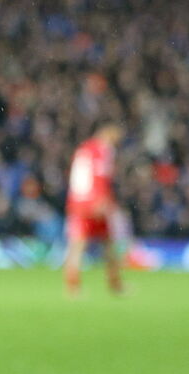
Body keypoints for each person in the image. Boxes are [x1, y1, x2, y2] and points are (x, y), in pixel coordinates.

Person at [63, 122, 126, 296]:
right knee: (99, 244)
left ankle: (74, 286)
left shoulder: (84, 148)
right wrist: (102, 200)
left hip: (77, 201)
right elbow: (100, 176)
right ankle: (113, 284)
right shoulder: (102, 150)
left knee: (81, 244)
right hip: (94, 202)